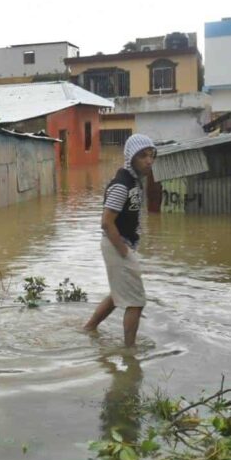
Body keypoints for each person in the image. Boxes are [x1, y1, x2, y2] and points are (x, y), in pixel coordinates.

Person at [83, 134, 156, 344]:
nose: (149, 160)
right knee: (136, 301)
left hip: (121, 243)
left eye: (151, 155)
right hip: (117, 244)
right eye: (143, 156)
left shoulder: (134, 181)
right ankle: (129, 352)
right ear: (131, 157)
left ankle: (89, 328)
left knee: (118, 295)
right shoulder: (121, 184)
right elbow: (106, 222)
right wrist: (124, 251)